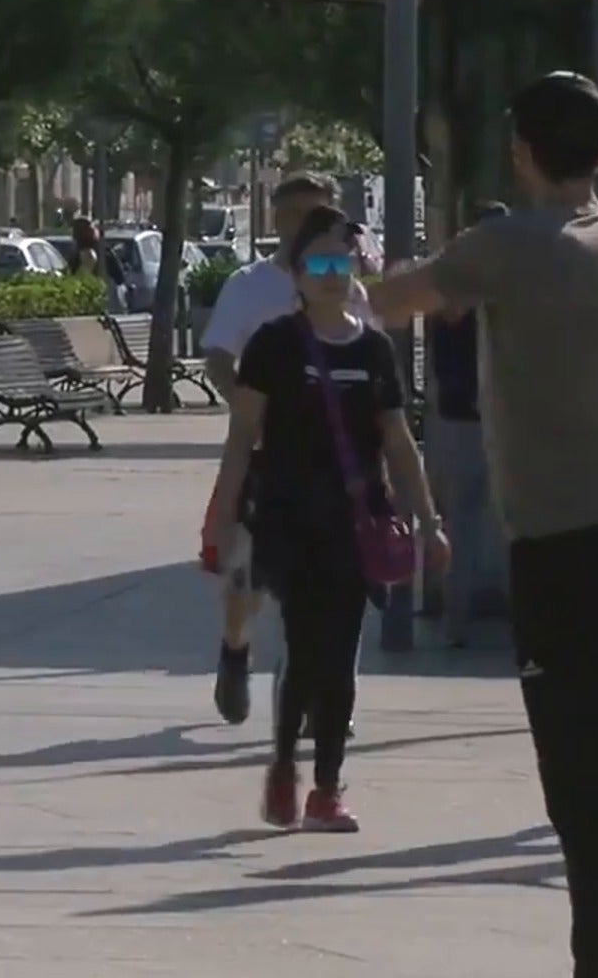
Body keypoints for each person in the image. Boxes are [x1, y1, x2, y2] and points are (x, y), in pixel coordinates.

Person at [370, 71, 598, 978]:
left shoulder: (508, 244)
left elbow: (390, 304)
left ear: (521, 152)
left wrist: (344, 276)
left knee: (584, 787)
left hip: (560, 546)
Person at [205, 204, 446, 832]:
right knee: (307, 648)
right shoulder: (274, 345)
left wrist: (428, 519)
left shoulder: (374, 349)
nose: (333, 275)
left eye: (343, 262)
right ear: (296, 274)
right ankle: (286, 763)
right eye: (319, 264)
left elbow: (398, 440)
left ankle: (327, 788)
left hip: (353, 519)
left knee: (339, 655)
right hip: (286, 517)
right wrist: (222, 519)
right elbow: (242, 438)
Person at [198, 172, 372, 729]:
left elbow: (369, 363)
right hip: (265, 458)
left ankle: (326, 697)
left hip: (335, 465)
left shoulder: (349, 288)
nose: (304, 225)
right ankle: (235, 650)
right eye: (293, 214)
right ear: (275, 219)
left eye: (317, 214)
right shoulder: (249, 286)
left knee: (334, 584)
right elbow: (218, 357)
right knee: (246, 578)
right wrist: (247, 410)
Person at [425, 199, 511, 644]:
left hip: (464, 417)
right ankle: (469, 615)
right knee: (501, 520)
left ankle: (457, 619)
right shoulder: (510, 290)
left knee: (464, 519)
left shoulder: (452, 291)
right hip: (487, 419)